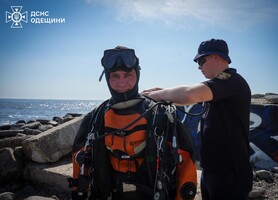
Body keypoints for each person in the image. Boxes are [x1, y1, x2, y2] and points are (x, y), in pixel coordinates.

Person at [69, 46, 197, 200]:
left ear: (137, 75)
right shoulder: (95, 117)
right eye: (115, 76)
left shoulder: (162, 114)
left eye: (128, 75)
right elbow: (79, 162)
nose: (121, 83)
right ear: (107, 78)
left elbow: (186, 164)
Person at [143, 39, 253, 200]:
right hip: (212, 171)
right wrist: (163, 91)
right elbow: (187, 97)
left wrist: (159, 94)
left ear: (217, 57)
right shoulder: (219, 86)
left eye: (202, 60)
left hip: (230, 174)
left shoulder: (231, 80)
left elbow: (190, 94)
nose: (199, 66)